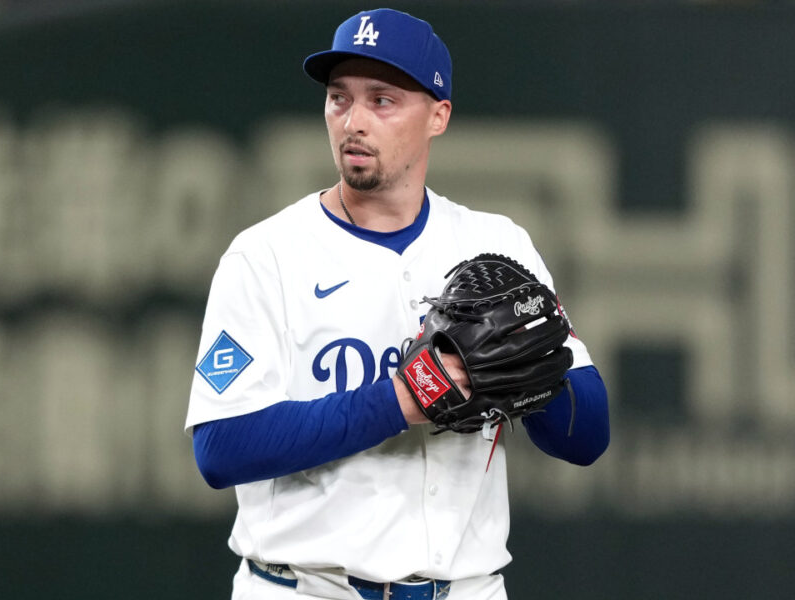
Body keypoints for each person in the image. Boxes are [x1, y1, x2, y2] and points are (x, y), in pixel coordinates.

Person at [186, 8, 609, 600]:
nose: (353, 121)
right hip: (305, 588)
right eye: (339, 98)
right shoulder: (265, 256)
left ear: (438, 115)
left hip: (466, 588)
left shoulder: (497, 248)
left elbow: (586, 436)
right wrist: (403, 398)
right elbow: (220, 448)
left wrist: (524, 375)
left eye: (382, 100)